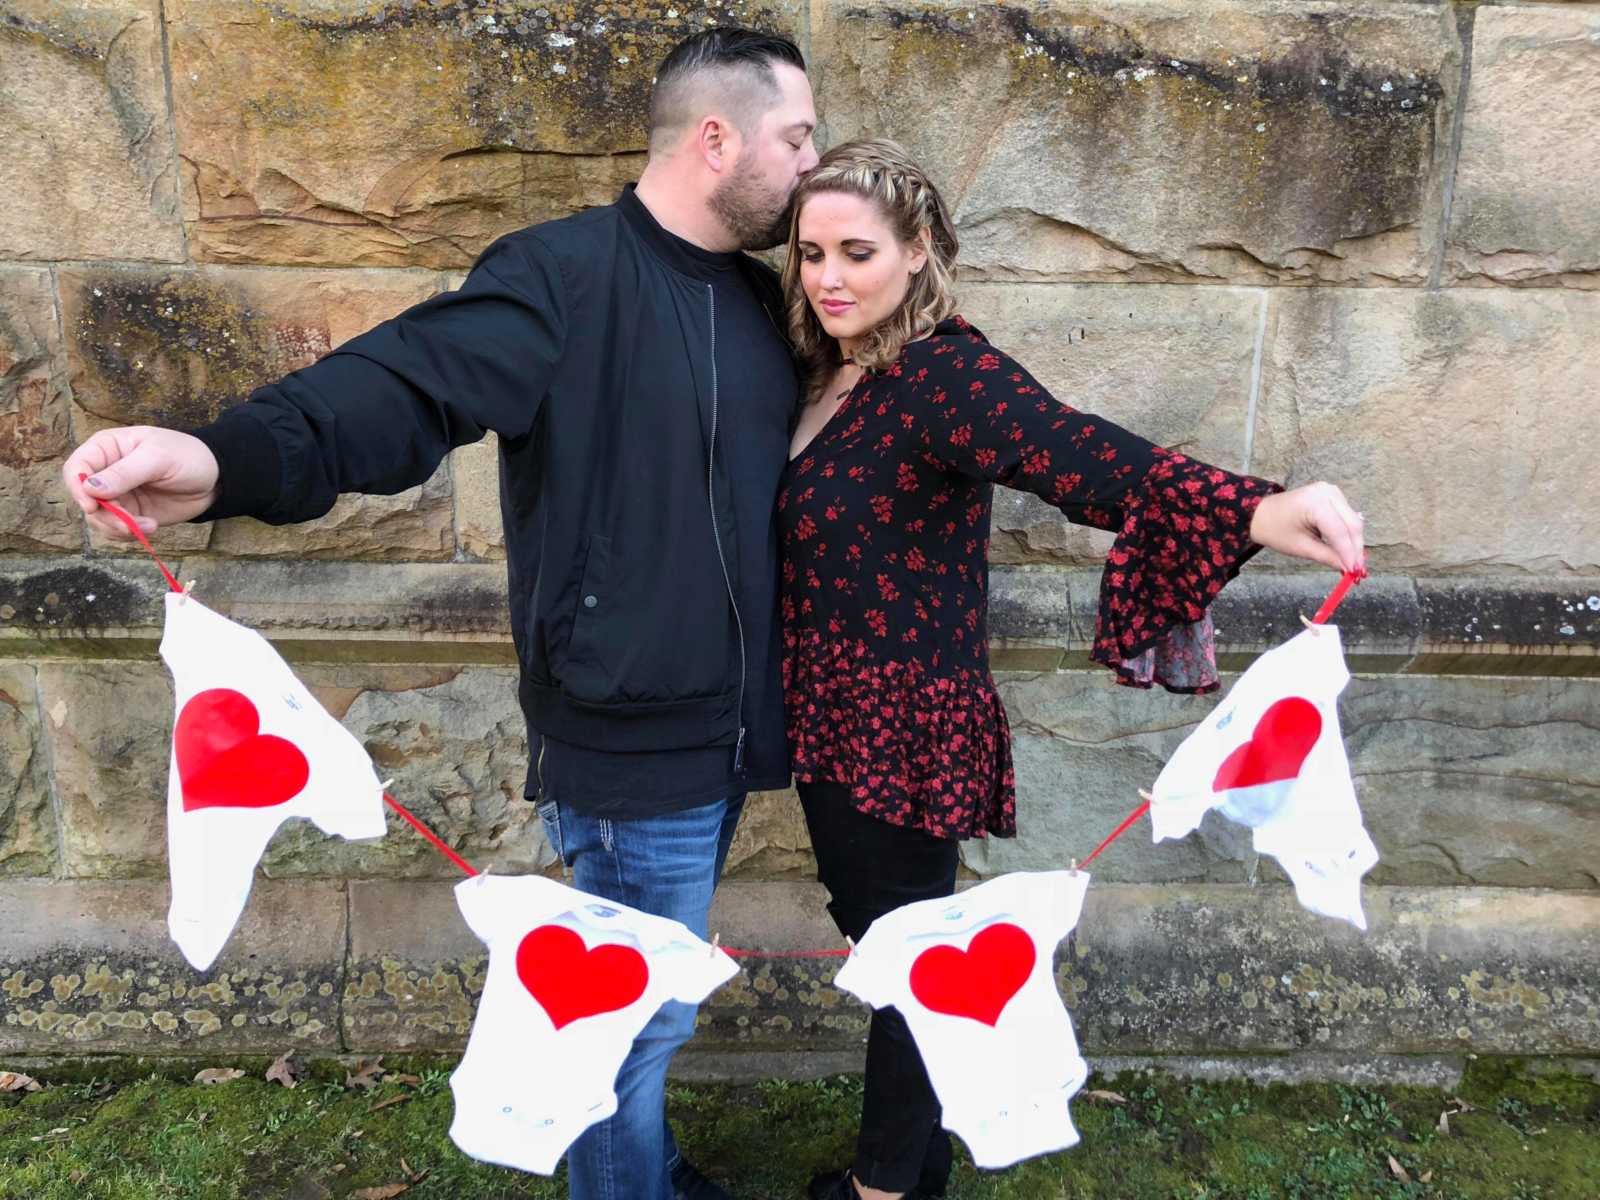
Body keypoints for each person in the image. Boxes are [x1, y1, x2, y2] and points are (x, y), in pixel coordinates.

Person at [60, 28, 819, 1200]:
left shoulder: (761, 301)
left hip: (729, 733)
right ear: (716, 140)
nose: (811, 161)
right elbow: (401, 386)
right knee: (627, 1024)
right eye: (796, 136)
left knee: (645, 1002)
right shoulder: (561, 277)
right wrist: (218, 457)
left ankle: (641, 1170)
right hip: (626, 742)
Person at [776, 140, 1366, 1200]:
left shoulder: (940, 372)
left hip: (901, 725)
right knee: (896, 953)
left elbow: (1071, 450)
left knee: (911, 963)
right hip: (828, 717)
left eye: (856, 252)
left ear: (917, 252)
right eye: (811, 251)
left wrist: (1258, 510)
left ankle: (881, 1190)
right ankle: (911, 1169)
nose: (827, 276)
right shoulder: (829, 367)